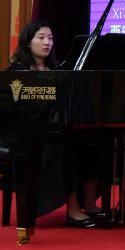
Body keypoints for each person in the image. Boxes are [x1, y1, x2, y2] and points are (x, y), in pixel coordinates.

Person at [7, 20, 102, 227]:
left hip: (55, 129)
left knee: (92, 140)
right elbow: (17, 108)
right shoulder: (17, 71)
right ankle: (73, 209)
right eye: (41, 38)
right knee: (65, 145)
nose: (46, 43)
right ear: (28, 42)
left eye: (50, 38)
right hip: (27, 134)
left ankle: (89, 203)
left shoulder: (57, 70)